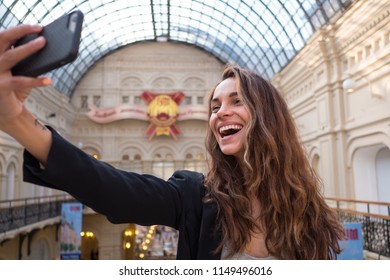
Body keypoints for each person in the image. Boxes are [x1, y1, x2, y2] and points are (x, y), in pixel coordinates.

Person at [0, 24, 345, 260]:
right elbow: (112, 188)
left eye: (236, 101)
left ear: (268, 115)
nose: (220, 113)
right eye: (215, 106)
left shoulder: (308, 214)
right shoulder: (197, 197)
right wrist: (16, 119)